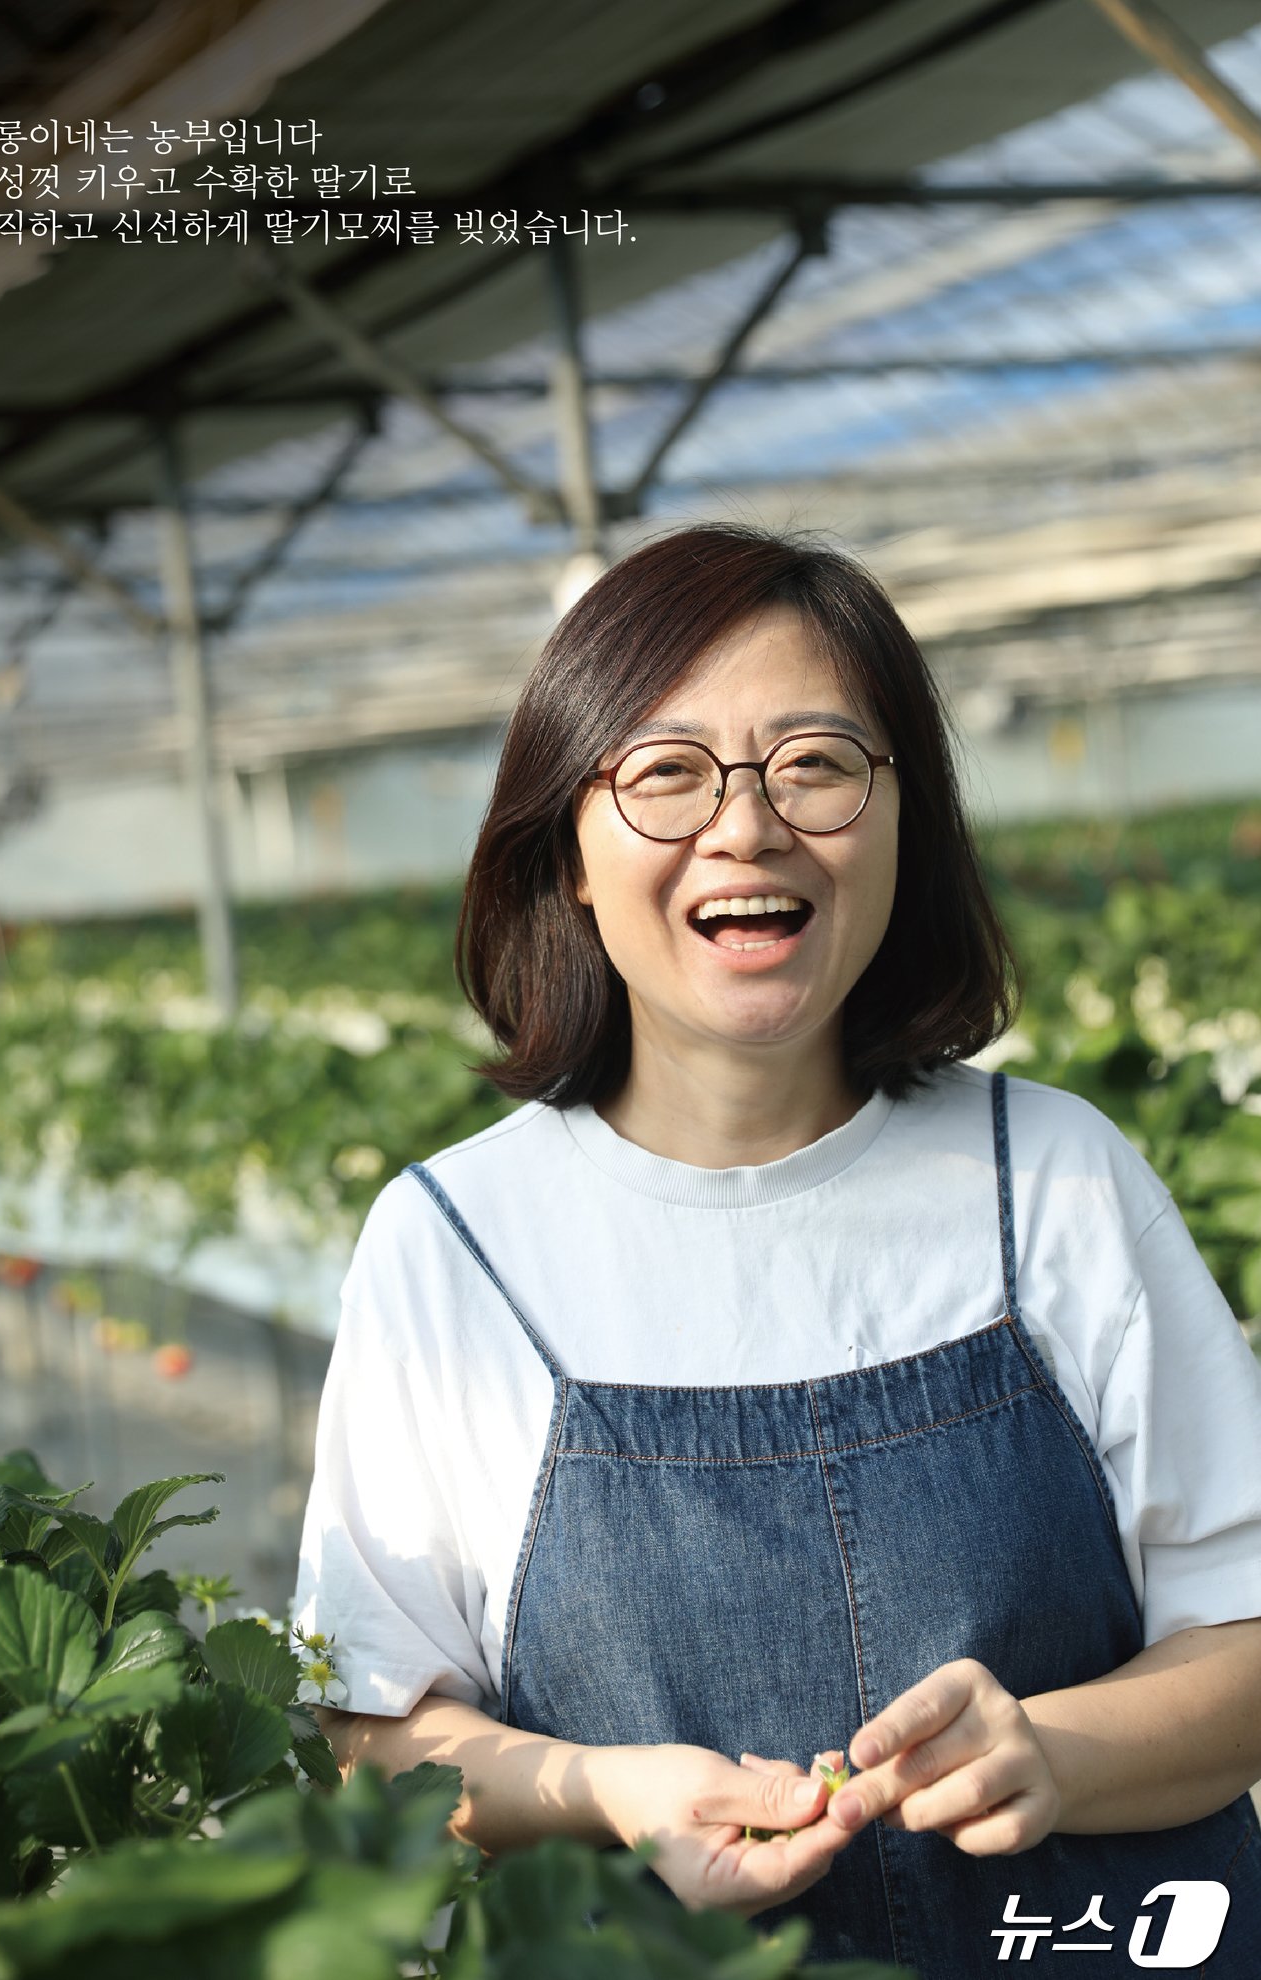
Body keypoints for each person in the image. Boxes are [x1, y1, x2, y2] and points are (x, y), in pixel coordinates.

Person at [293, 523, 1261, 1976]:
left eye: (815, 762)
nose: (747, 829)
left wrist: (1050, 1753)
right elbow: (378, 1731)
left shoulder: (1054, 1179)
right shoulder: (454, 1248)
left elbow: (1244, 1643)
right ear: (565, 850)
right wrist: (611, 1795)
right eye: (665, 773)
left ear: (903, 818)